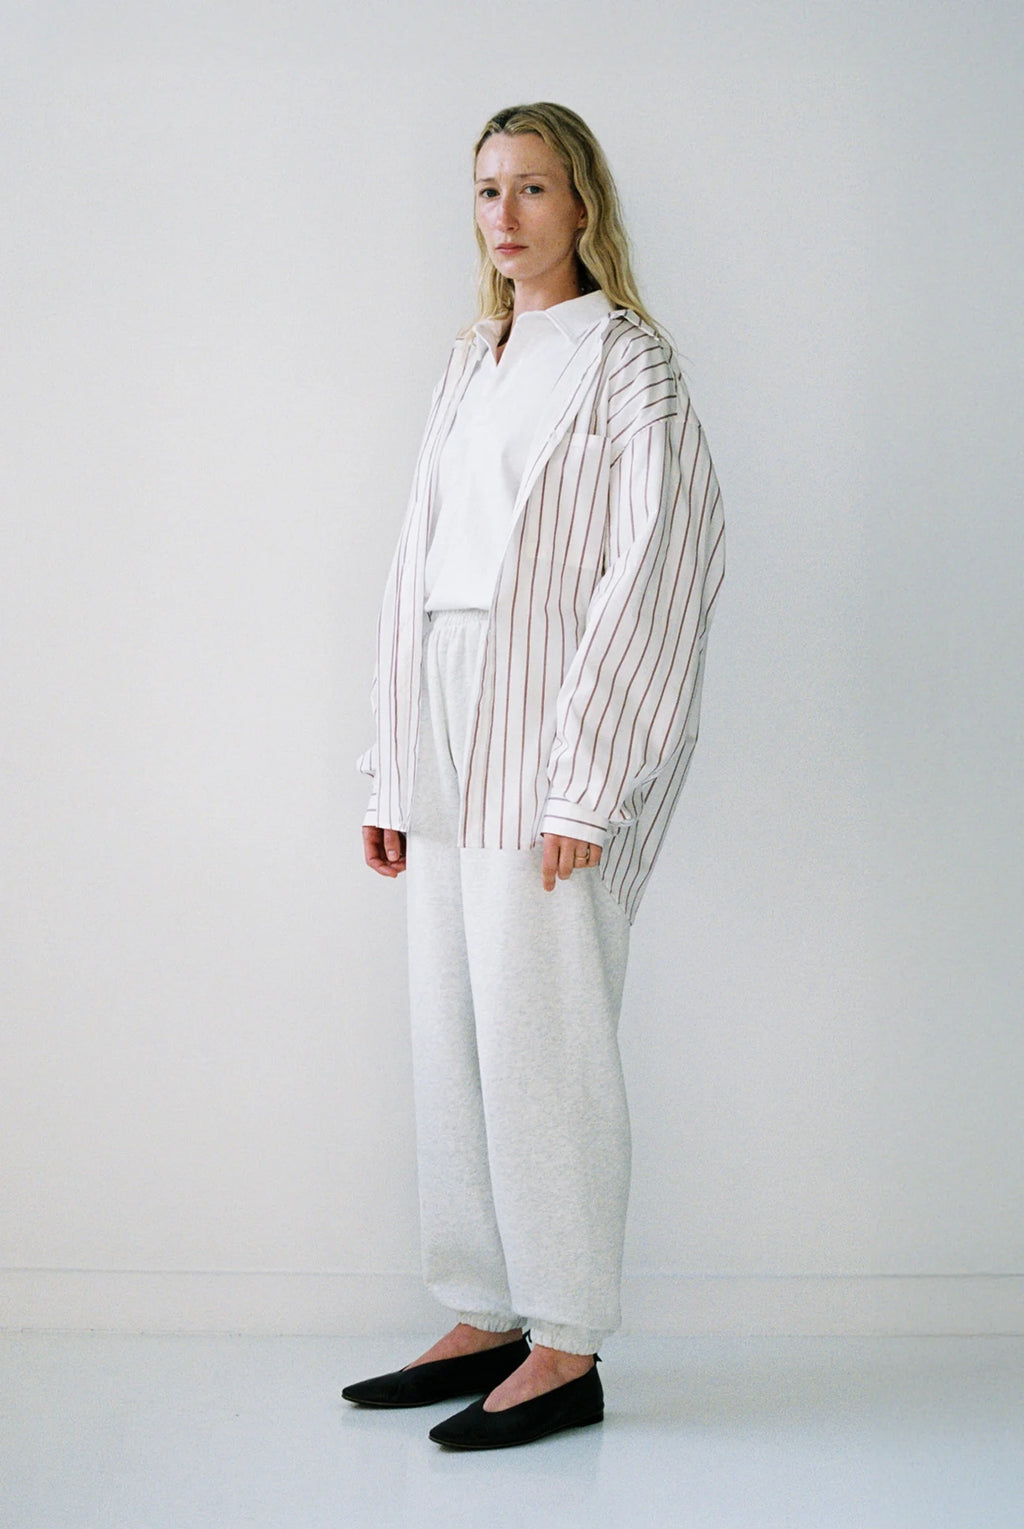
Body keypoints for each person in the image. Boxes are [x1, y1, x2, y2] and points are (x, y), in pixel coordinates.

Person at [344, 101, 724, 1450]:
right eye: (486, 190)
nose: (505, 215)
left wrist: (587, 785)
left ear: (583, 207)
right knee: (448, 1022)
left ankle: (565, 1339)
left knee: (542, 1033)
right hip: (443, 710)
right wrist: (392, 763)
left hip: (549, 721)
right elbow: (415, 563)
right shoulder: (474, 359)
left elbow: (659, 576)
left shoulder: (629, 366)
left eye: (534, 188)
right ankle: (483, 1303)